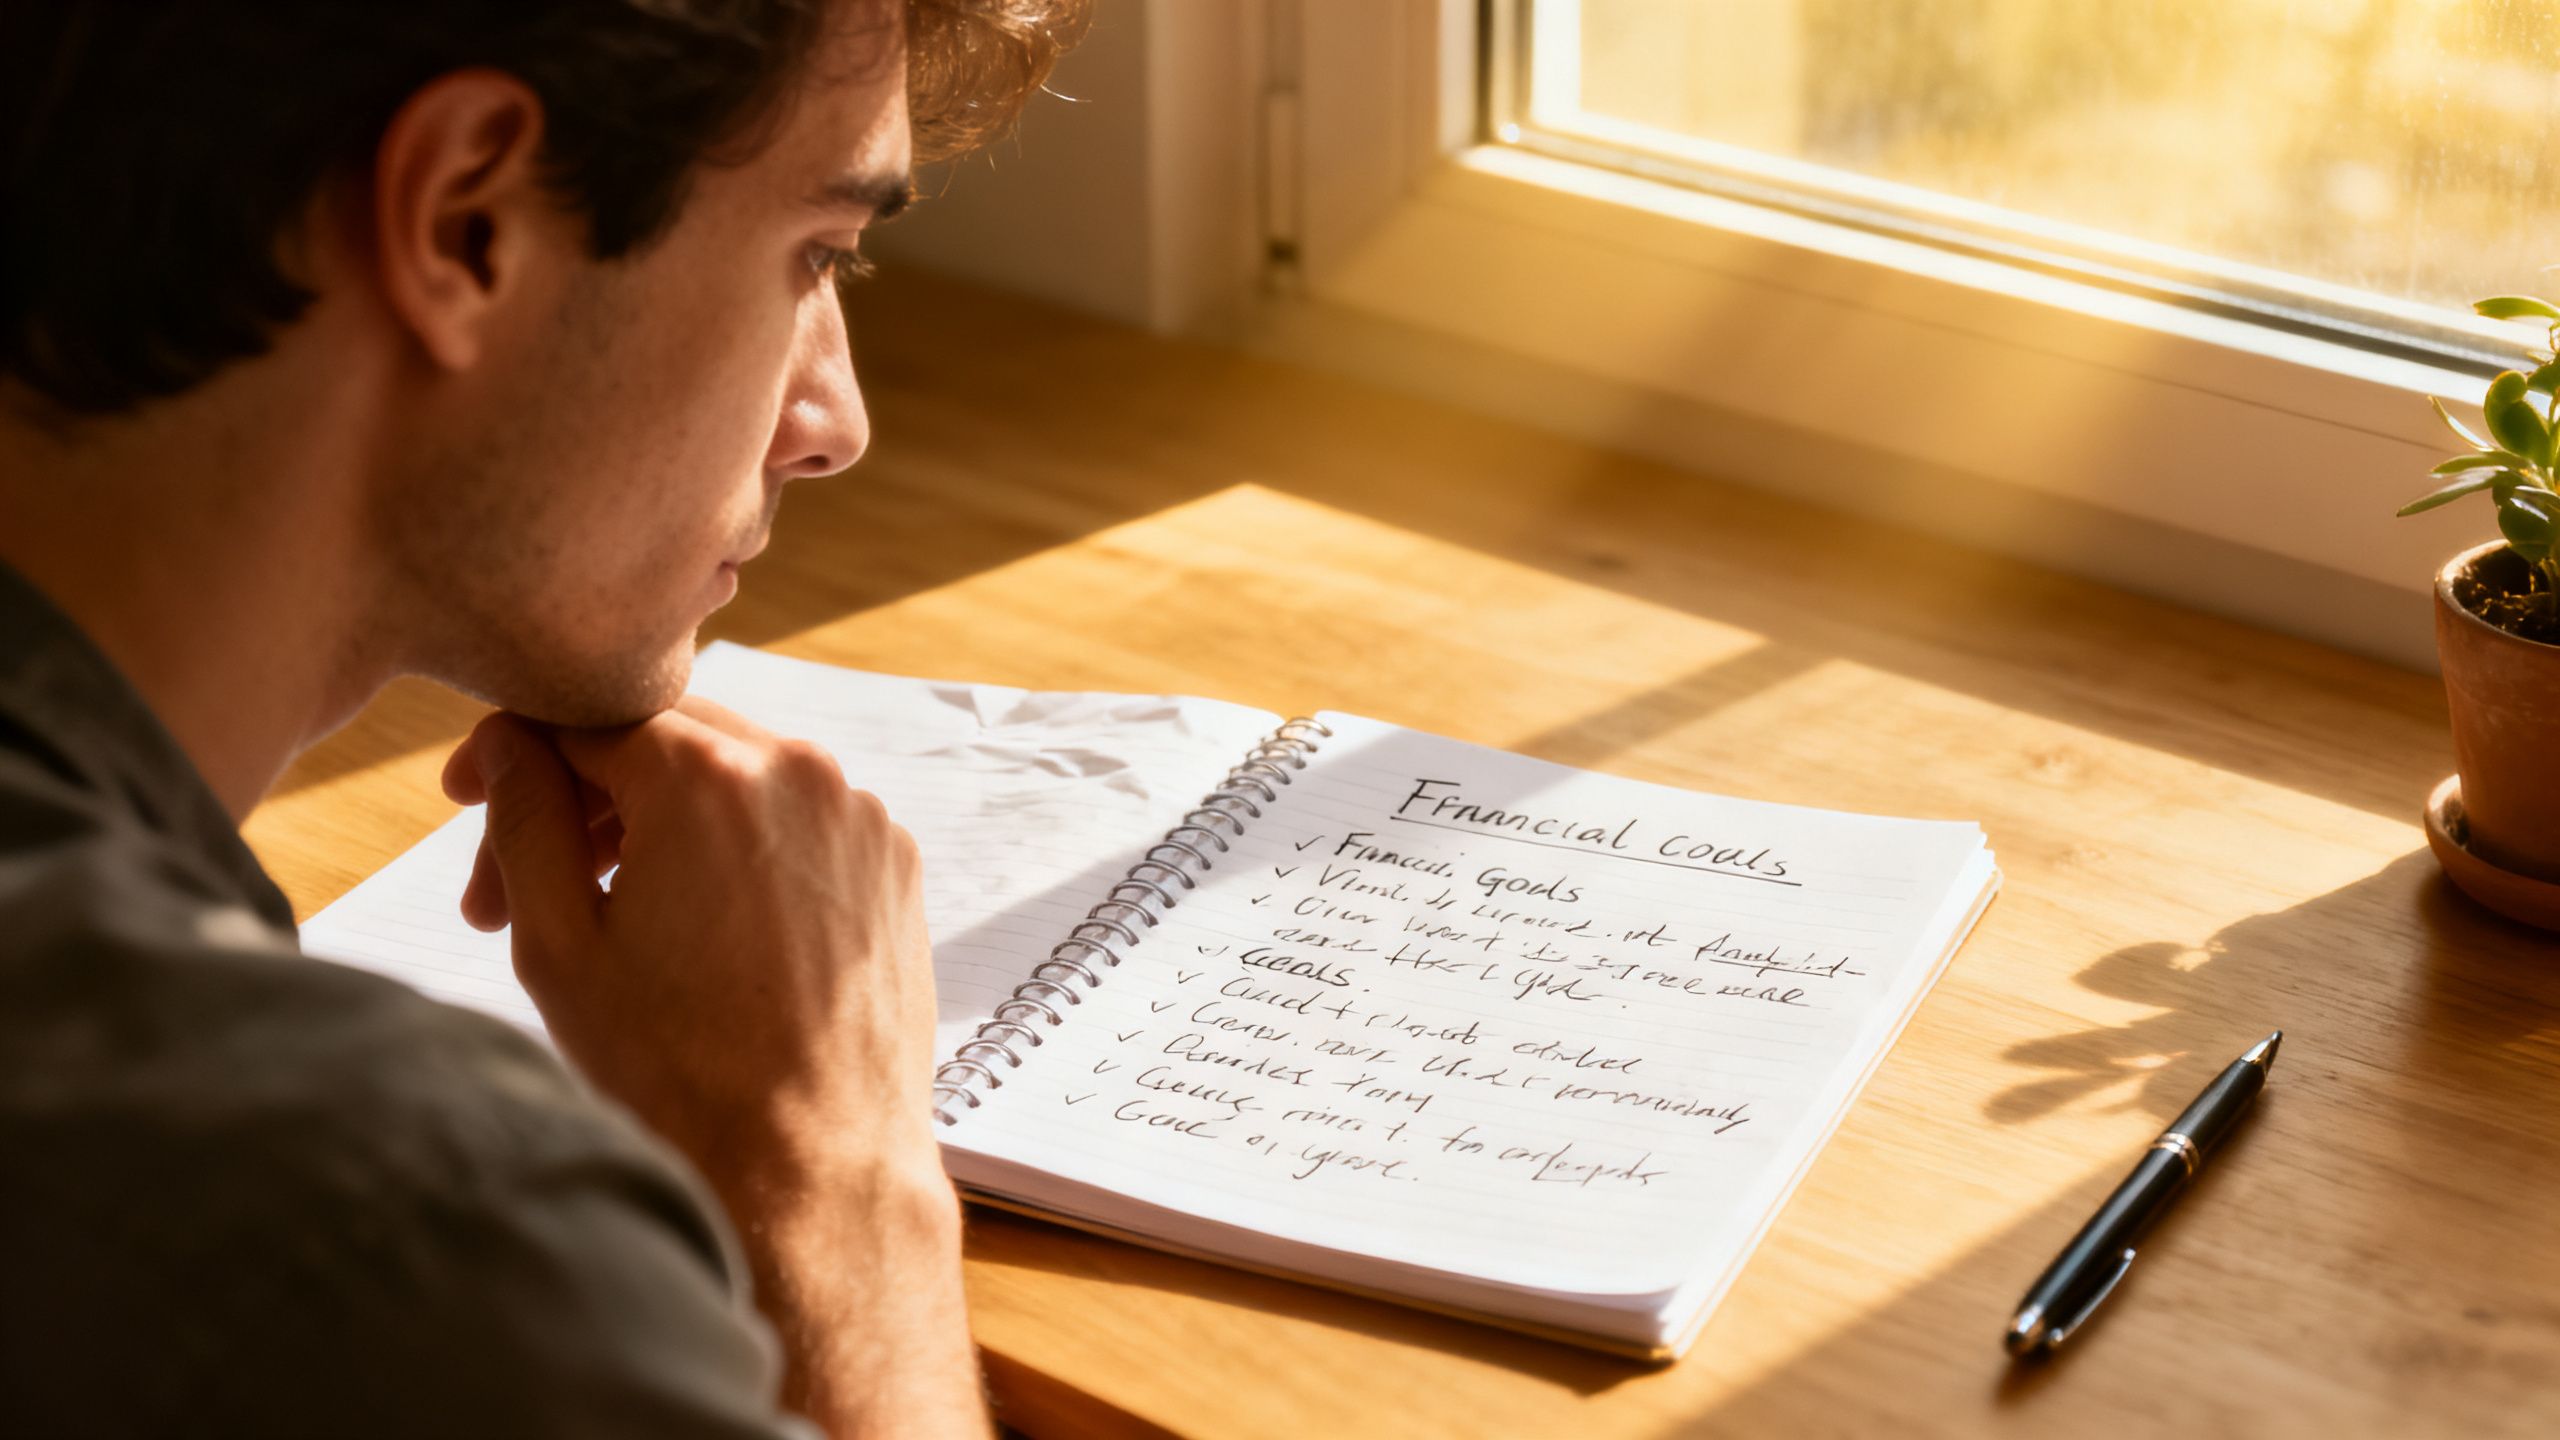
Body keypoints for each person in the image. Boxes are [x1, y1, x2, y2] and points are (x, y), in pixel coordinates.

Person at [0, 0, 1089, 1433]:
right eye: (813, 253)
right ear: (467, 224)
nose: (834, 422)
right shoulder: (401, 1249)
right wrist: (837, 1191)